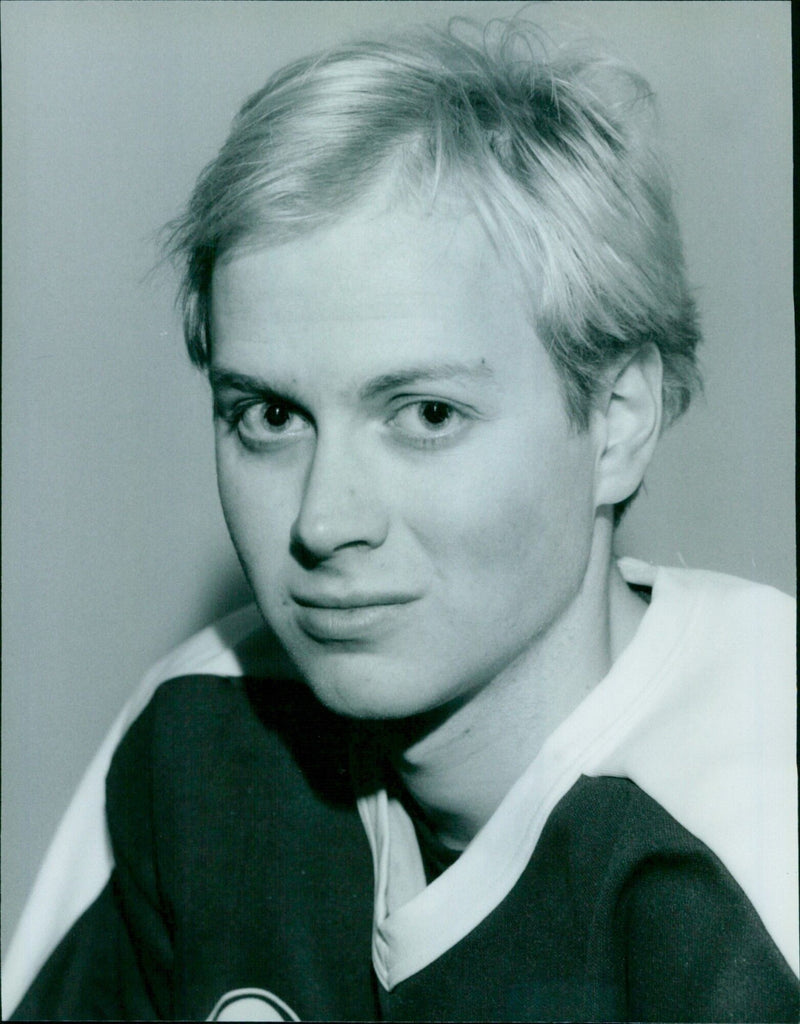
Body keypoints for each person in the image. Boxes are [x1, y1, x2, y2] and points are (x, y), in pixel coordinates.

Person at [9, 18, 798, 1022]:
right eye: (270, 415)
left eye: (425, 415)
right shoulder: (199, 741)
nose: (323, 520)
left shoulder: (748, 849)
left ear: (614, 426)